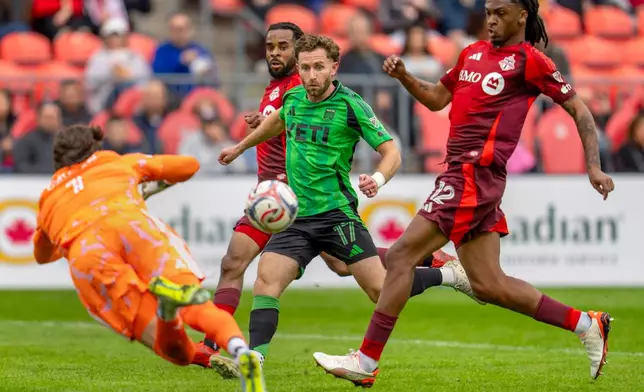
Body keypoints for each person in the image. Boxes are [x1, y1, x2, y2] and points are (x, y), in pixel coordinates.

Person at [312, 0, 616, 386]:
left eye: (500, 12)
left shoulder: (531, 60)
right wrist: (405, 76)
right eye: (488, 11)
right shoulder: (471, 53)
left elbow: (580, 111)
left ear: (522, 15)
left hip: (474, 175)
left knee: (404, 253)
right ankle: (587, 324)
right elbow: (439, 98)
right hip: (462, 173)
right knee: (490, 284)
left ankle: (366, 361)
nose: (491, 19)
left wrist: (592, 164)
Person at [218, 34, 480, 369]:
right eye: (306, 67)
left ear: (333, 67)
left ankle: (451, 276)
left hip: (336, 216)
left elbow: (391, 152)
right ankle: (255, 357)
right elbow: (276, 122)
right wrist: (240, 148)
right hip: (295, 217)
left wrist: (378, 179)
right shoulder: (295, 97)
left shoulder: (350, 105)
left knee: (380, 290)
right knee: (267, 281)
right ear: (298, 69)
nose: (312, 75)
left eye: (319, 67)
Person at [32, 124, 266, 391]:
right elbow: (188, 166)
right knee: (194, 303)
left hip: (88, 252)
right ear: (95, 145)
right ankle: (241, 350)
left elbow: (42, 255)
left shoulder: (49, 197)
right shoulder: (117, 163)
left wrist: (65, 234)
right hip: (133, 227)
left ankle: (167, 314)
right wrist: (144, 183)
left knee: (172, 351)